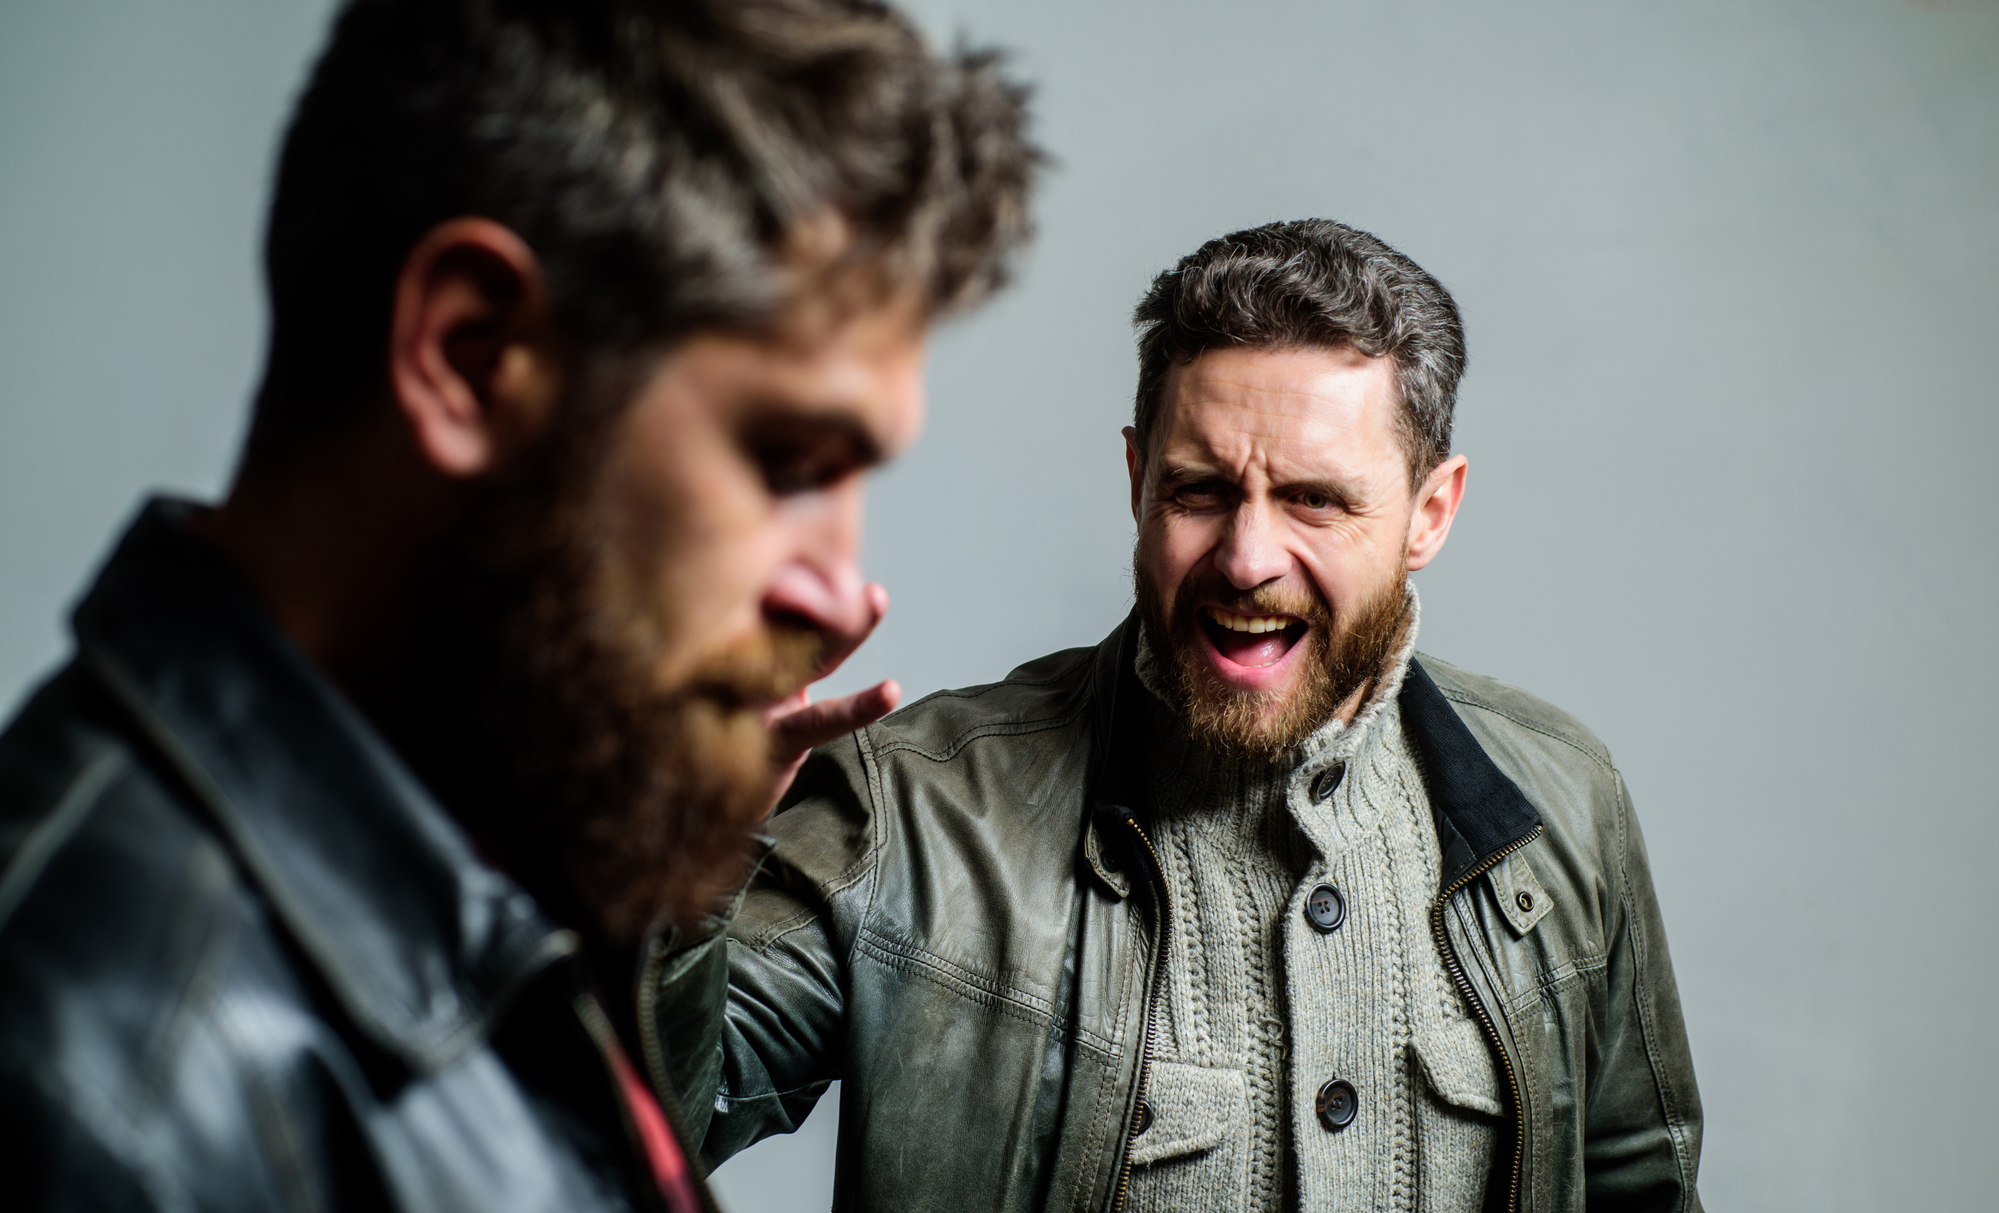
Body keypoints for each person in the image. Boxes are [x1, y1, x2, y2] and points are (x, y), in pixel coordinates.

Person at [0, 1, 1036, 1208]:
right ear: (470, 353)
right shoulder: (90, 1087)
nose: (839, 590)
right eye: (790, 459)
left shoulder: (511, 849)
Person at [657, 219, 1704, 1212]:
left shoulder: (1562, 802)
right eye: (1199, 491)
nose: (1247, 558)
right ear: (1136, 480)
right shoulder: (912, 810)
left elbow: (1640, 1191)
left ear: (1430, 512)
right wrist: (674, 860)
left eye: (1313, 499)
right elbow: (641, 1116)